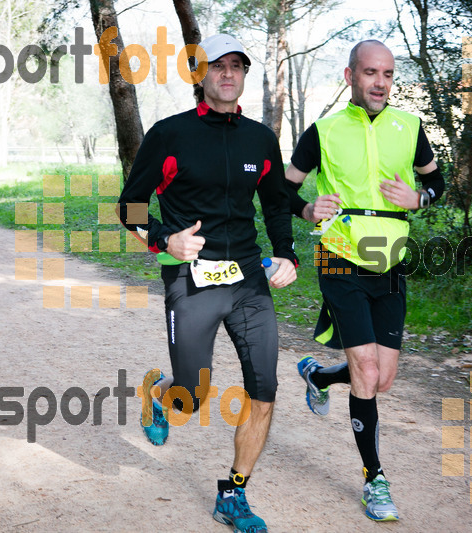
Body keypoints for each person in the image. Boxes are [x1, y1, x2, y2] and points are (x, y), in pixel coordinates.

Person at [116, 34, 298, 533]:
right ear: (200, 74)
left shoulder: (260, 138)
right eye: (217, 65)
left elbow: (277, 202)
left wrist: (287, 254)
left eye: (236, 66)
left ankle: (233, 495)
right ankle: (161, 396)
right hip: (191, 281)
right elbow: (128, 205)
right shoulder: (169, 134)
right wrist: (163, 240)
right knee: (192, 397)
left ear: (243, 76)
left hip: (247, 282)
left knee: (265, 388)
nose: (227, 73)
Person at [284, 40, 445, 522]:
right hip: (341, 257)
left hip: (390, 262)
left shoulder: (410, 128)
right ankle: (375, 479)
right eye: (371, 72)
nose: (381, 82)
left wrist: (420, 199)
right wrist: (309, 209)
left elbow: (438, 181)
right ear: (351, 75)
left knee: (383, 378)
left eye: (389, 74)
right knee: (369, 373)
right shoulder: (324, 131)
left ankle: (318, 375)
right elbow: (282, 188)